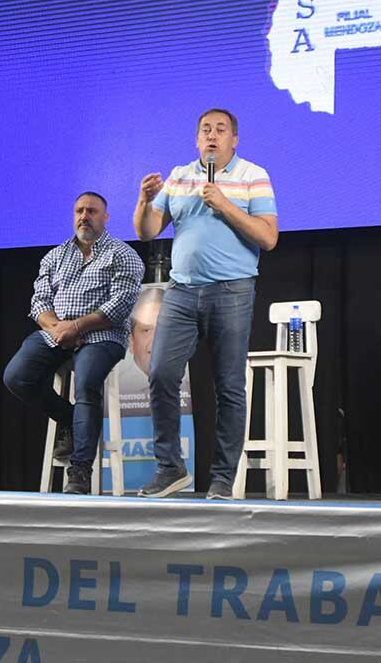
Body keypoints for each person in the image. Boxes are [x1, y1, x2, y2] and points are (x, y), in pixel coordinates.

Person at [133, 108, 278, 499]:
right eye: (205, 130)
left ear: (234, 139)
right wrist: (145, 201)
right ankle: (170, 468)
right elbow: (147, 231)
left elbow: (268, 238)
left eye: (221, 130)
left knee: (229, 385)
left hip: (232, 291)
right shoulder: (180, 176)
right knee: (161, 373)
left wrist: (226, 205)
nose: (212, 136)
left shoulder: (253, 176)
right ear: (197, 140)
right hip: (181, 292)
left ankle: (221, 479)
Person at [2, 192, 144, 494]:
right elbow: (38, 301)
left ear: (105, 218)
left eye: (92, 211)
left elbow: (120, 305)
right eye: (79, 210)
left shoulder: (123, 254)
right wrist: (59, 328)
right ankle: (68, 418)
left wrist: (77, 326)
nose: (84, 216)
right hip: (57, 333)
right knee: (16, 376)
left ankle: (79, 472)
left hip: (103, 335)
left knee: (87, 382)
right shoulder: (55, 255)